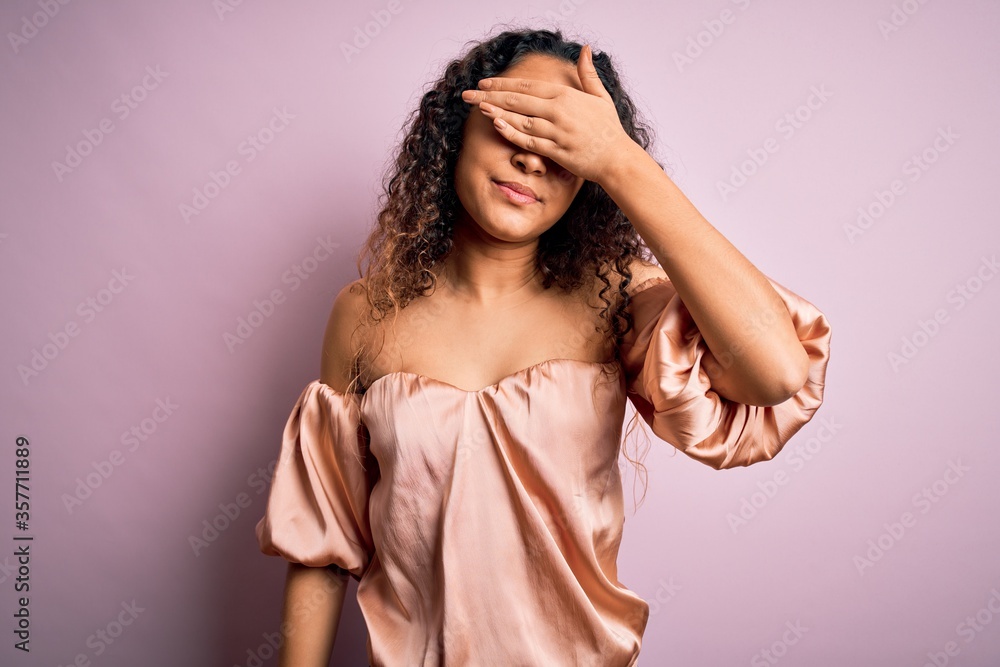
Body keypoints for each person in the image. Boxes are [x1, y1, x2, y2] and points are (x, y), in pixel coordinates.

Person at [254, 26, 832, 667]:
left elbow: (778, 372)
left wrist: (619, 161)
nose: (533, 157)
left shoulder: (615, 301)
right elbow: (321, 545)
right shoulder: (365, 315)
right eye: (517, 121)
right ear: (458, 128)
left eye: (564, 141)